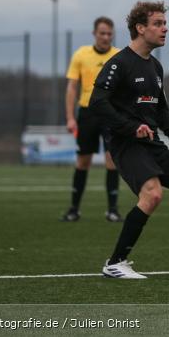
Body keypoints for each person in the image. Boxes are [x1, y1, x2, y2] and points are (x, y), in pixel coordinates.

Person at [90, 1, 169, 278]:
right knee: (152, 195)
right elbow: (97, 102)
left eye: (164, 23)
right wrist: (130, 127)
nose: (165, 29)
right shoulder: (119, 63)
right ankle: (115, 263)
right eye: (158, 24)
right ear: (140, 28)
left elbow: (160, 108)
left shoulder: (156, 67)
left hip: (152, 142)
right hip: (126, 143)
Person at [60, 17, 121, 223]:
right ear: (94, 33)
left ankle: (112, 210)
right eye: (102, 33)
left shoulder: (119, 56)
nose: (106, 37)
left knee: (112, 160)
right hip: (87, 113)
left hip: (111, 114)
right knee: (83, 161)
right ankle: (74, 209)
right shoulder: (81, 54)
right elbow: (71, 88)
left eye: (109, 33)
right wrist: (70, 117)